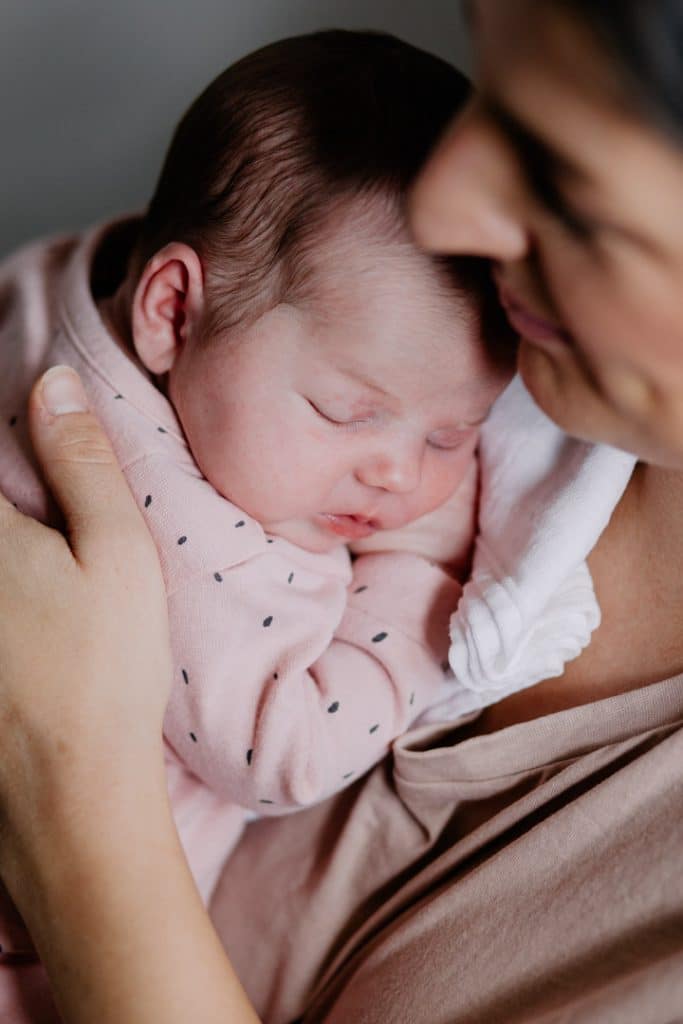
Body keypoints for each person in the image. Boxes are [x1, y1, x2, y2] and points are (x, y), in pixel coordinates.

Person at [1, 1, 683, 1021]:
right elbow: (282, 750)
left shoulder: (85, 290)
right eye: (489, 91)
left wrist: (78, 806)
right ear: (170, 307)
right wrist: (419, 582)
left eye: (558, 165)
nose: (443, 204)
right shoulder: (205, 515)